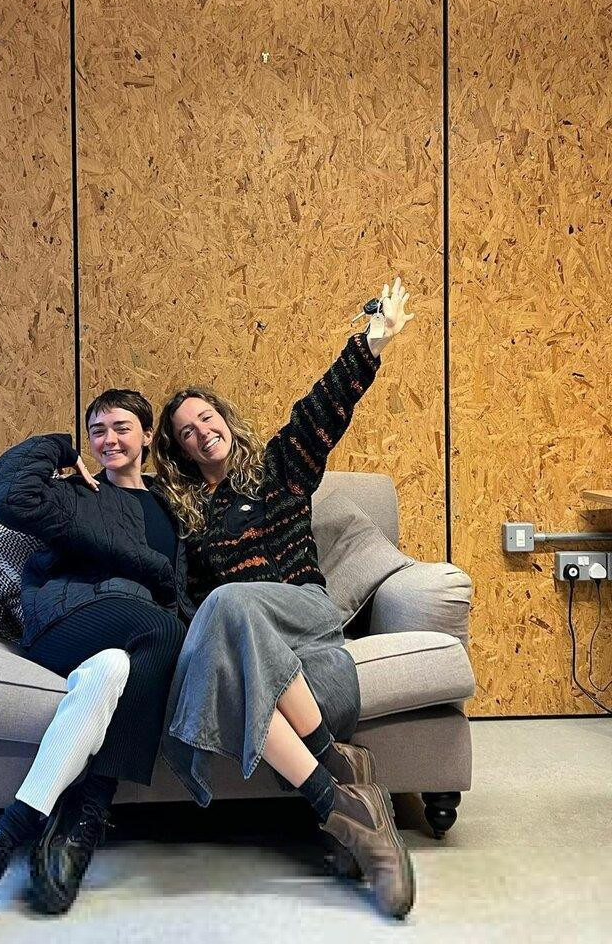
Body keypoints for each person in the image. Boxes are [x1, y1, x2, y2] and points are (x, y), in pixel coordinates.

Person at [152, 277, 417, 919]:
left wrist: (370, 344)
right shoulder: (188, 518)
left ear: (225, 420)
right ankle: (346, 809)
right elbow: (184, 598)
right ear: (180, 451)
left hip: (307, 618)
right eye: (186, 432)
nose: (201, 432)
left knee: (229, 602)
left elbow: (319, 413)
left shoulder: (277, 472)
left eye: (206, 418)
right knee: (225, 633)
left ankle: (334, 785)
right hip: (258, 647)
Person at [0, 390, 187, 931]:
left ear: (147, 435)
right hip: (66, 622)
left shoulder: (171, 505)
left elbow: (180, 584)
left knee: (114, 668)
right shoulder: (76, 494)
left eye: (121, 427)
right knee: (161, 629)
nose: (108, 439)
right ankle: (90, 813)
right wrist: (60, 447)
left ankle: (1, 844)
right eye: (97, 430)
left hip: (128, 640)